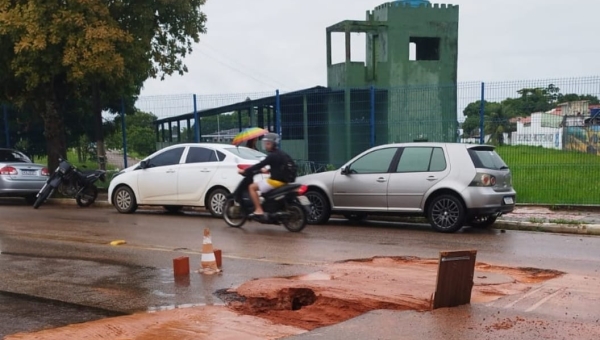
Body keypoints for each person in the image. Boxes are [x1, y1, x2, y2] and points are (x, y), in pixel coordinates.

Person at [238, 133, 291, 218]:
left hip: (275, 181)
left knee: (252, 187)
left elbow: (259, 165)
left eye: (268, 143)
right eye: (266, 143)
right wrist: (268, 170)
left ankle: (259, 209)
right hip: (284, 181)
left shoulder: (272, 156)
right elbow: (280, 167)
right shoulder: (281, 153)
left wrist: (245, 170)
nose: (266, 145)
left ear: (273, 144)